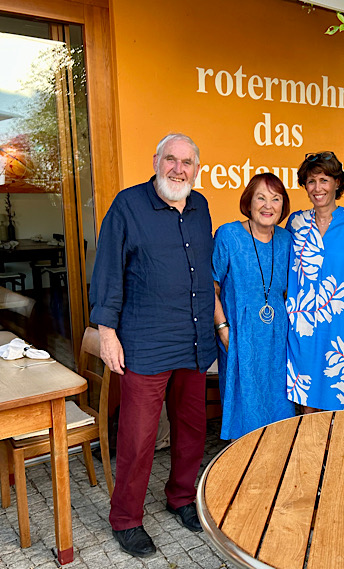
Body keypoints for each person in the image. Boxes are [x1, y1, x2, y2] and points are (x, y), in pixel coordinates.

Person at [89, 133, 216, 558]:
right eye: (171, 160)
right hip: (144, 342)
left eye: (187, 162)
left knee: (192, 430)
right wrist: (107, 332)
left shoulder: (201, 209)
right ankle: (125, 518)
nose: (178, 169)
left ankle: (181, 497)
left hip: (193, 341)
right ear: (156, 160)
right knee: (139, 438)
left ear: (197, 168)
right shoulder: (128, 205)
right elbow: (108, 269)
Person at [213, 173, 296, 440]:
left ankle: (275, 470)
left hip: (277, 340)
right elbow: (211, 287)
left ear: (283, 206)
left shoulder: (286, 240)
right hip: (240, 336)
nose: (267, 205)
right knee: (244, 409)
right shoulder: (229, 235)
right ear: (249, 202)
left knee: (278, 407)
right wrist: (223, 330)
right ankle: (243, 470)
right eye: (260, 197)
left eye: (275, 199)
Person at [286, 152, 344, 413]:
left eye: (324, 180)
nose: (317, 188)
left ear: (337, 183)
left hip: (339, 324)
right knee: (306, 401)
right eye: (311, 181)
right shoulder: (295, 223)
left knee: (337, 401)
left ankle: (337, 454)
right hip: (301, 324)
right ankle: (309, 453)